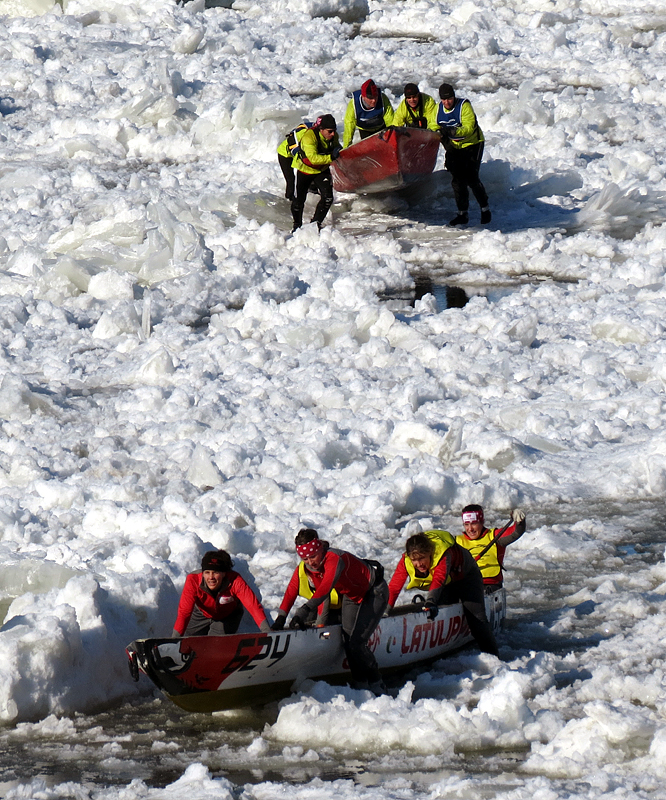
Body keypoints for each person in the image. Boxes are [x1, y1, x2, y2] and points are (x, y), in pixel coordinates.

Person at [274, 528, 389, 692]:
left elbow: (325, 588)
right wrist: (281, 618)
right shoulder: (309, 567)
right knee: (348, 642)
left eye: (313, 556)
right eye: (305, 559)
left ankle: (377, 682)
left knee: (357, 643)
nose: (310, 562)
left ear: (320, 548)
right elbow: (292, 590)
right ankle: (360, 684)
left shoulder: (334, 559)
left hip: (375, 592)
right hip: (352, 597)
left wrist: (304, 610)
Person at [387, 529, 499, 657]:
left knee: (476, 618)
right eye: (414, 560)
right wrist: (385, 610)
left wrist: (430, 601)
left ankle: (493, 656)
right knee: (441, 612)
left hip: (466, 576)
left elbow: (439, 578)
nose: (419, 564)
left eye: (422, 558)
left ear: (430, 553)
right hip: (447, 582)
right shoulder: (406, 560)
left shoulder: (443, 554)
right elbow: (394, 586)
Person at [173, 549, 271, 636]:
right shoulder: (193, 580)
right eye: (207, 572)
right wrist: (174, 641)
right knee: (192, 644)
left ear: (224, 573)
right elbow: (184, 612)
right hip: (200, 614)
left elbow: (253, 606)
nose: (211, 577)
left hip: (227, 616)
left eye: (215, 573)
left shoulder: (235, 580)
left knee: (214, 645)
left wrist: (267, 632)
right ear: (202, 573)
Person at [437, 82, 491, 227]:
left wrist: (452, 132)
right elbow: (433, 126)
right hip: (455, 147)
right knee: (457, 181)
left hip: (473, 144)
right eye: (444, 99)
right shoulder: (439, 109)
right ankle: (462, 214)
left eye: (449, 99)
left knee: (472, 178)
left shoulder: (464, 106)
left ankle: (485, 208)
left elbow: (468, 127)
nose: (447, 102)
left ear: (454, 97)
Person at [456, 506, 526, 591]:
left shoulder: (495, 537)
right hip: (465, 585)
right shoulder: (457, 542)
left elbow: (516, 532)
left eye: (474, 523)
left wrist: (519, 521)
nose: (470, 529)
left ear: (482, 522)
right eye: (466, 524)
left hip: (489, 585)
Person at [290, 114, 340, 232]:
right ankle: (297, 226)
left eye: (334, 131)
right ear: (321, 130)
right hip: (305, 170)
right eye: (330, 131)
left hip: (321, 170)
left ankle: (315, 224)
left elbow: (337, 148)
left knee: (328, 198)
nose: (333, 134)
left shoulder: (333, 136)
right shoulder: (309, 137)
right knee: (298, 201)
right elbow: (313, 158)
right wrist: (331, 157)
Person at [343, 79, 394, 148]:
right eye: (370, 98)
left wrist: (393, 138)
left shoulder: (383, 99)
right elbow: (349, 128)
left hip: (381, 129)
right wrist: (346, 147)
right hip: (365, 131)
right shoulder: (353, 105)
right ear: (363, 97)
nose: (374, 100)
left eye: (376, 96)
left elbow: (391, 121)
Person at [277, 120, 312, 201]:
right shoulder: (303, 134)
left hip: (297, 152)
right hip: (284, 154)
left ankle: (310, 192)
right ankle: (289, 199)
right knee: (290, 179)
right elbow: (295, 150)